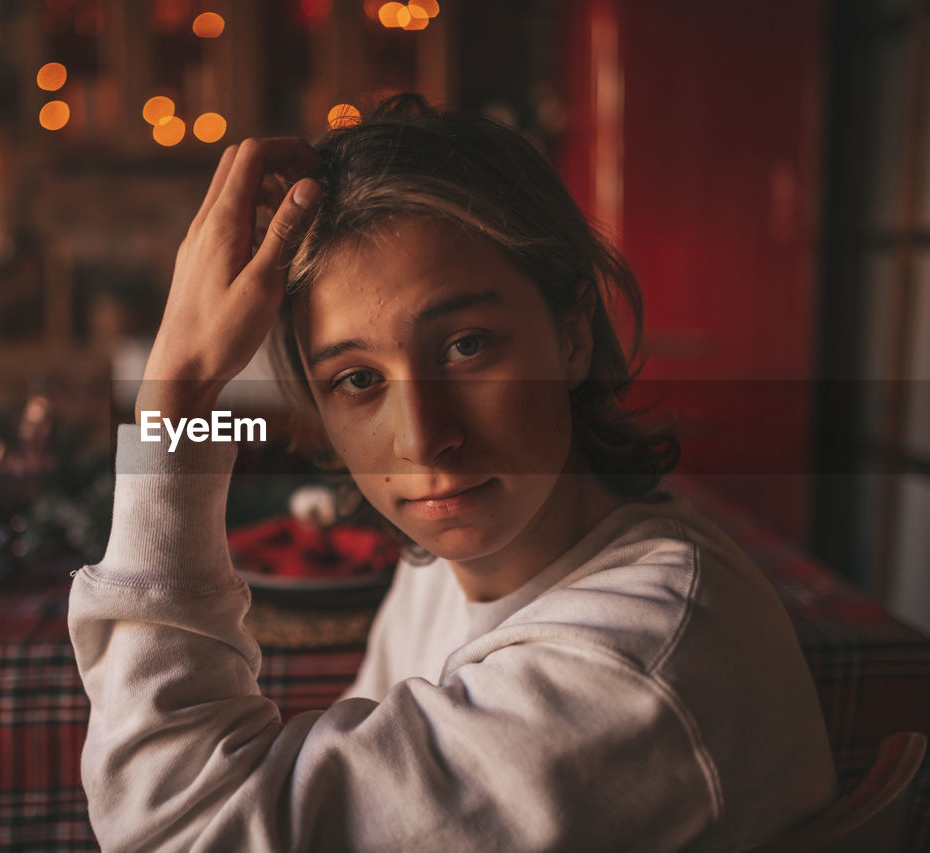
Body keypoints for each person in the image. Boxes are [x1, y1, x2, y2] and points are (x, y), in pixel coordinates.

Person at [68, 96, 838, 851]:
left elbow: (179, 829)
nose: (424, 440)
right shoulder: (446, 563)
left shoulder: (635, 664)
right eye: (358, 380)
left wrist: (175, 398)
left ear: (572, 333)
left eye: (467, 345)